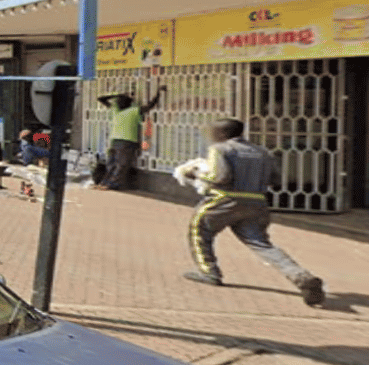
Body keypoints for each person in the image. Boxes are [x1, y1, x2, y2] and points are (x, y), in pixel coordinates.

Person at [178, 118, 325, 306]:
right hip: (257, 203)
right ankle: (301, 276)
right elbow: (276, 179)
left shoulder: (221, 149)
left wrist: (195, 173)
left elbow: (219, 177)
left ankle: (209, 271)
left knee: (199, 231)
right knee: (261, 244)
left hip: (224, 200)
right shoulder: (263, 152)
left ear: (222, 134)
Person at [97, 84, 165, 190]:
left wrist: (158, 93)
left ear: (126, 103)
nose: (117, 103)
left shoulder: (131, 111)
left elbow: (150, 105)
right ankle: (107, 183)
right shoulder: (119, 110)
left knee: (117, 164)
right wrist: (117, 95)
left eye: (120, 101)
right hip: (120, 141)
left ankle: (109, 183)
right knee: (115, 164)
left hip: (122, 141)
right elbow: (100, 99)